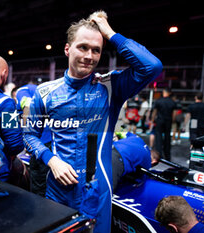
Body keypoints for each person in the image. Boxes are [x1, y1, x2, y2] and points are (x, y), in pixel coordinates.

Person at [23, 10, 162, 232]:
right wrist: (51, 160)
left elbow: (152, 66)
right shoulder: (45, 92)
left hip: (97, 195)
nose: (89, 56)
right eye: (83, 47)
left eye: (96, 50)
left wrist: (109, 32)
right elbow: (28, 135)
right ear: (67, 49)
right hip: (58, 191)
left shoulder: (110, 87)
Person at [16, 83, 51, 197]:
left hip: (39, 143)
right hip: (49, 142)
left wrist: (27, 137)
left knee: (38, 186)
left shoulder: (22, 89)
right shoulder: (43, 93)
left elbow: (28, 105)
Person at [151, 88, 176, 161]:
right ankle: (167, 155)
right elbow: (174, 114)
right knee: (167, 137)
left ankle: (159, 154)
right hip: (168, 121)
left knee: (158, 137)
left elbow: (155, 111)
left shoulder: (158, 101)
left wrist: (152, 119)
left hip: (159, 120)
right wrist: (173, 121)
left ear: (164, 92)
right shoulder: (172, 102)